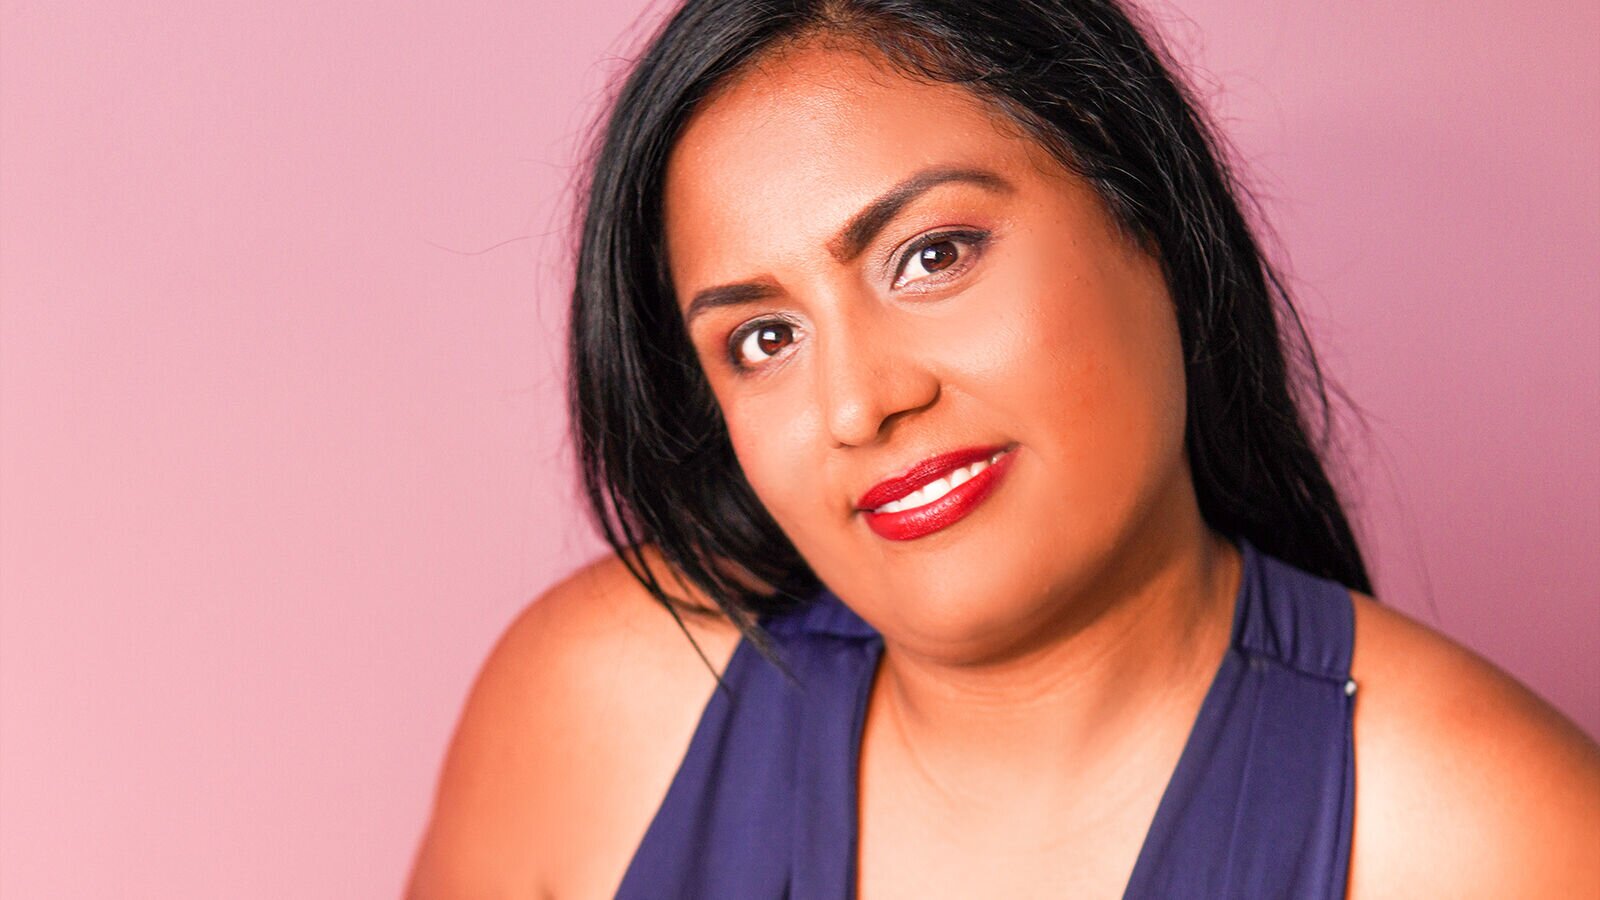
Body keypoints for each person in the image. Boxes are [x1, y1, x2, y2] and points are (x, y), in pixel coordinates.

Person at [407, 1, 1600, 896]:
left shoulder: (1483, 838)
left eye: (931, 257)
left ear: (1142, 207)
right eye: (763, 338)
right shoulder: (610, 700)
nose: (859, 402)